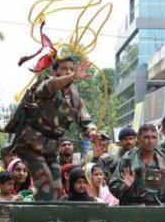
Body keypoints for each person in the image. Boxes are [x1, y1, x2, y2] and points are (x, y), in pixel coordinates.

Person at [7, 56, 97, 201]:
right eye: (63, 69)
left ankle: (48, 219)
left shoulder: (75, 97)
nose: (68, 72)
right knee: (45, 186)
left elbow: (86, 119)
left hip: (50, 147)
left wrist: (92, 132)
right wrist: (72, 76)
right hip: (30, 143)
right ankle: (38, 221)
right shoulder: (46, 85)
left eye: (71, 69)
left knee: (56, 189)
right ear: (55, 72)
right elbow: (51, 85)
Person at [109, 123, 165, 205]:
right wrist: (125, 186)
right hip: (134, 211)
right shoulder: (128, 159)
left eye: (154, 137)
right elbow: (113, 187)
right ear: (138, 139)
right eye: (146, 137)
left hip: (161, 210)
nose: (150, 141)